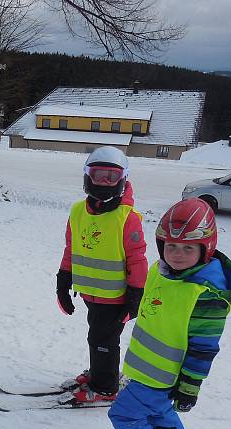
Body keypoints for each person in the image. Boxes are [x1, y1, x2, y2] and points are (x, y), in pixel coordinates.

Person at [74, 198, 231, 429]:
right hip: (145, 369)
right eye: (171, 246)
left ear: (207, 248)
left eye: (188, 248)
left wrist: (190, 387)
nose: (177, 255)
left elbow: (203, 348)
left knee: (125, 414)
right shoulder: (162, 271)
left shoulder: (206, 295)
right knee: (159, 414)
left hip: (163, 375)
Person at [56, 146, 147, 403]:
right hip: (91, 294)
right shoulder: (77, 211)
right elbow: (71, 249)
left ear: (123, 180)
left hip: (116, 298)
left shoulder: (127, 218)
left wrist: (136, 295)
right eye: (99, 175)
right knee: (96, 337)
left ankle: (106, 388)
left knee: (103, 339)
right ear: (87, 177)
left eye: (112, 177)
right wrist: (63, 281)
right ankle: (99, 373)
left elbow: (137, 259)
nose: (105, 182)